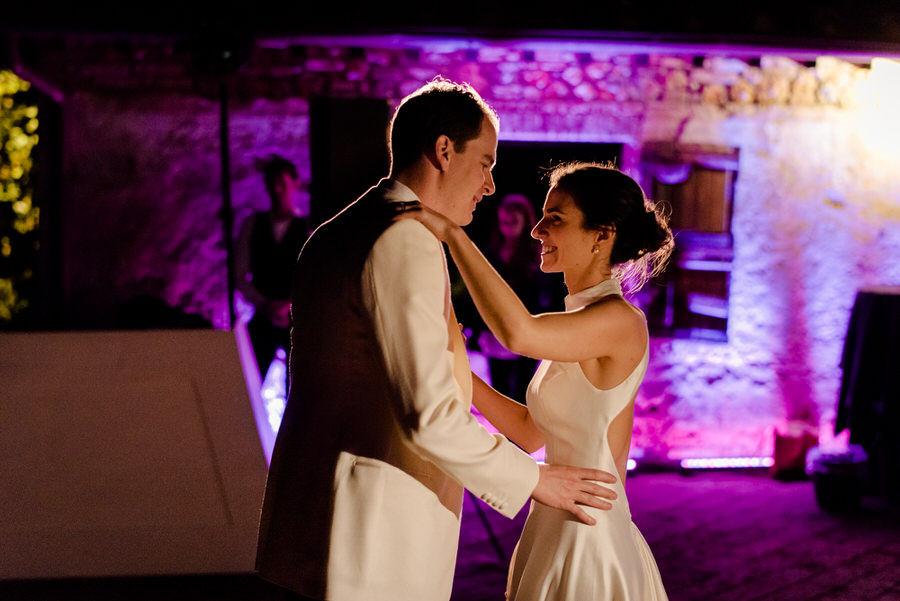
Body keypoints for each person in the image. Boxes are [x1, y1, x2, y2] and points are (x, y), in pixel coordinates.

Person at [254, 78, 618, 601]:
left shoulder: (335, 230)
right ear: (444, 150)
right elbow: (429, 415)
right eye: (486, 162)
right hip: (374, 533)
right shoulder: (406, 239)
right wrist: (536, 481)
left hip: (313, 516)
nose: (490, 184)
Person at [402, 160, 673, 600]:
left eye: (556, 219)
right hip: (552, 519)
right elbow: (530, 434)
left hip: (589, 530)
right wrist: (455, 370)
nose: (537, 230)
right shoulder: (579, 320)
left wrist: (452, 234)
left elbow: (518, 333)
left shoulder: (620, 320)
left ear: (601, 236)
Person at [234, 155, 311, 385]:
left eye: (282, 185)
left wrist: (289, 304)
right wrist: (265, 304)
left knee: (298, 388)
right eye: (272, 185)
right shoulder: (252, 225)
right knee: (248, 384)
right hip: (262, 318)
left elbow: (313, 278)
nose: (277, 191)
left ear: (295, 184)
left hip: (295, 321)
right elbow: (240, 275)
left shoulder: (306, 229)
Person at [474, 193, 547, 401]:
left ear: (525, 220)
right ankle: (507, 434)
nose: (507, 227)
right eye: (503, 222)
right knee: (501, 391)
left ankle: (519, 434)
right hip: (496, 330)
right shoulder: (493, 253)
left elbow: (542, 296)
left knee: (523, 391)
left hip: (528, 330)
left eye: (513, 221)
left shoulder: (538, 255)